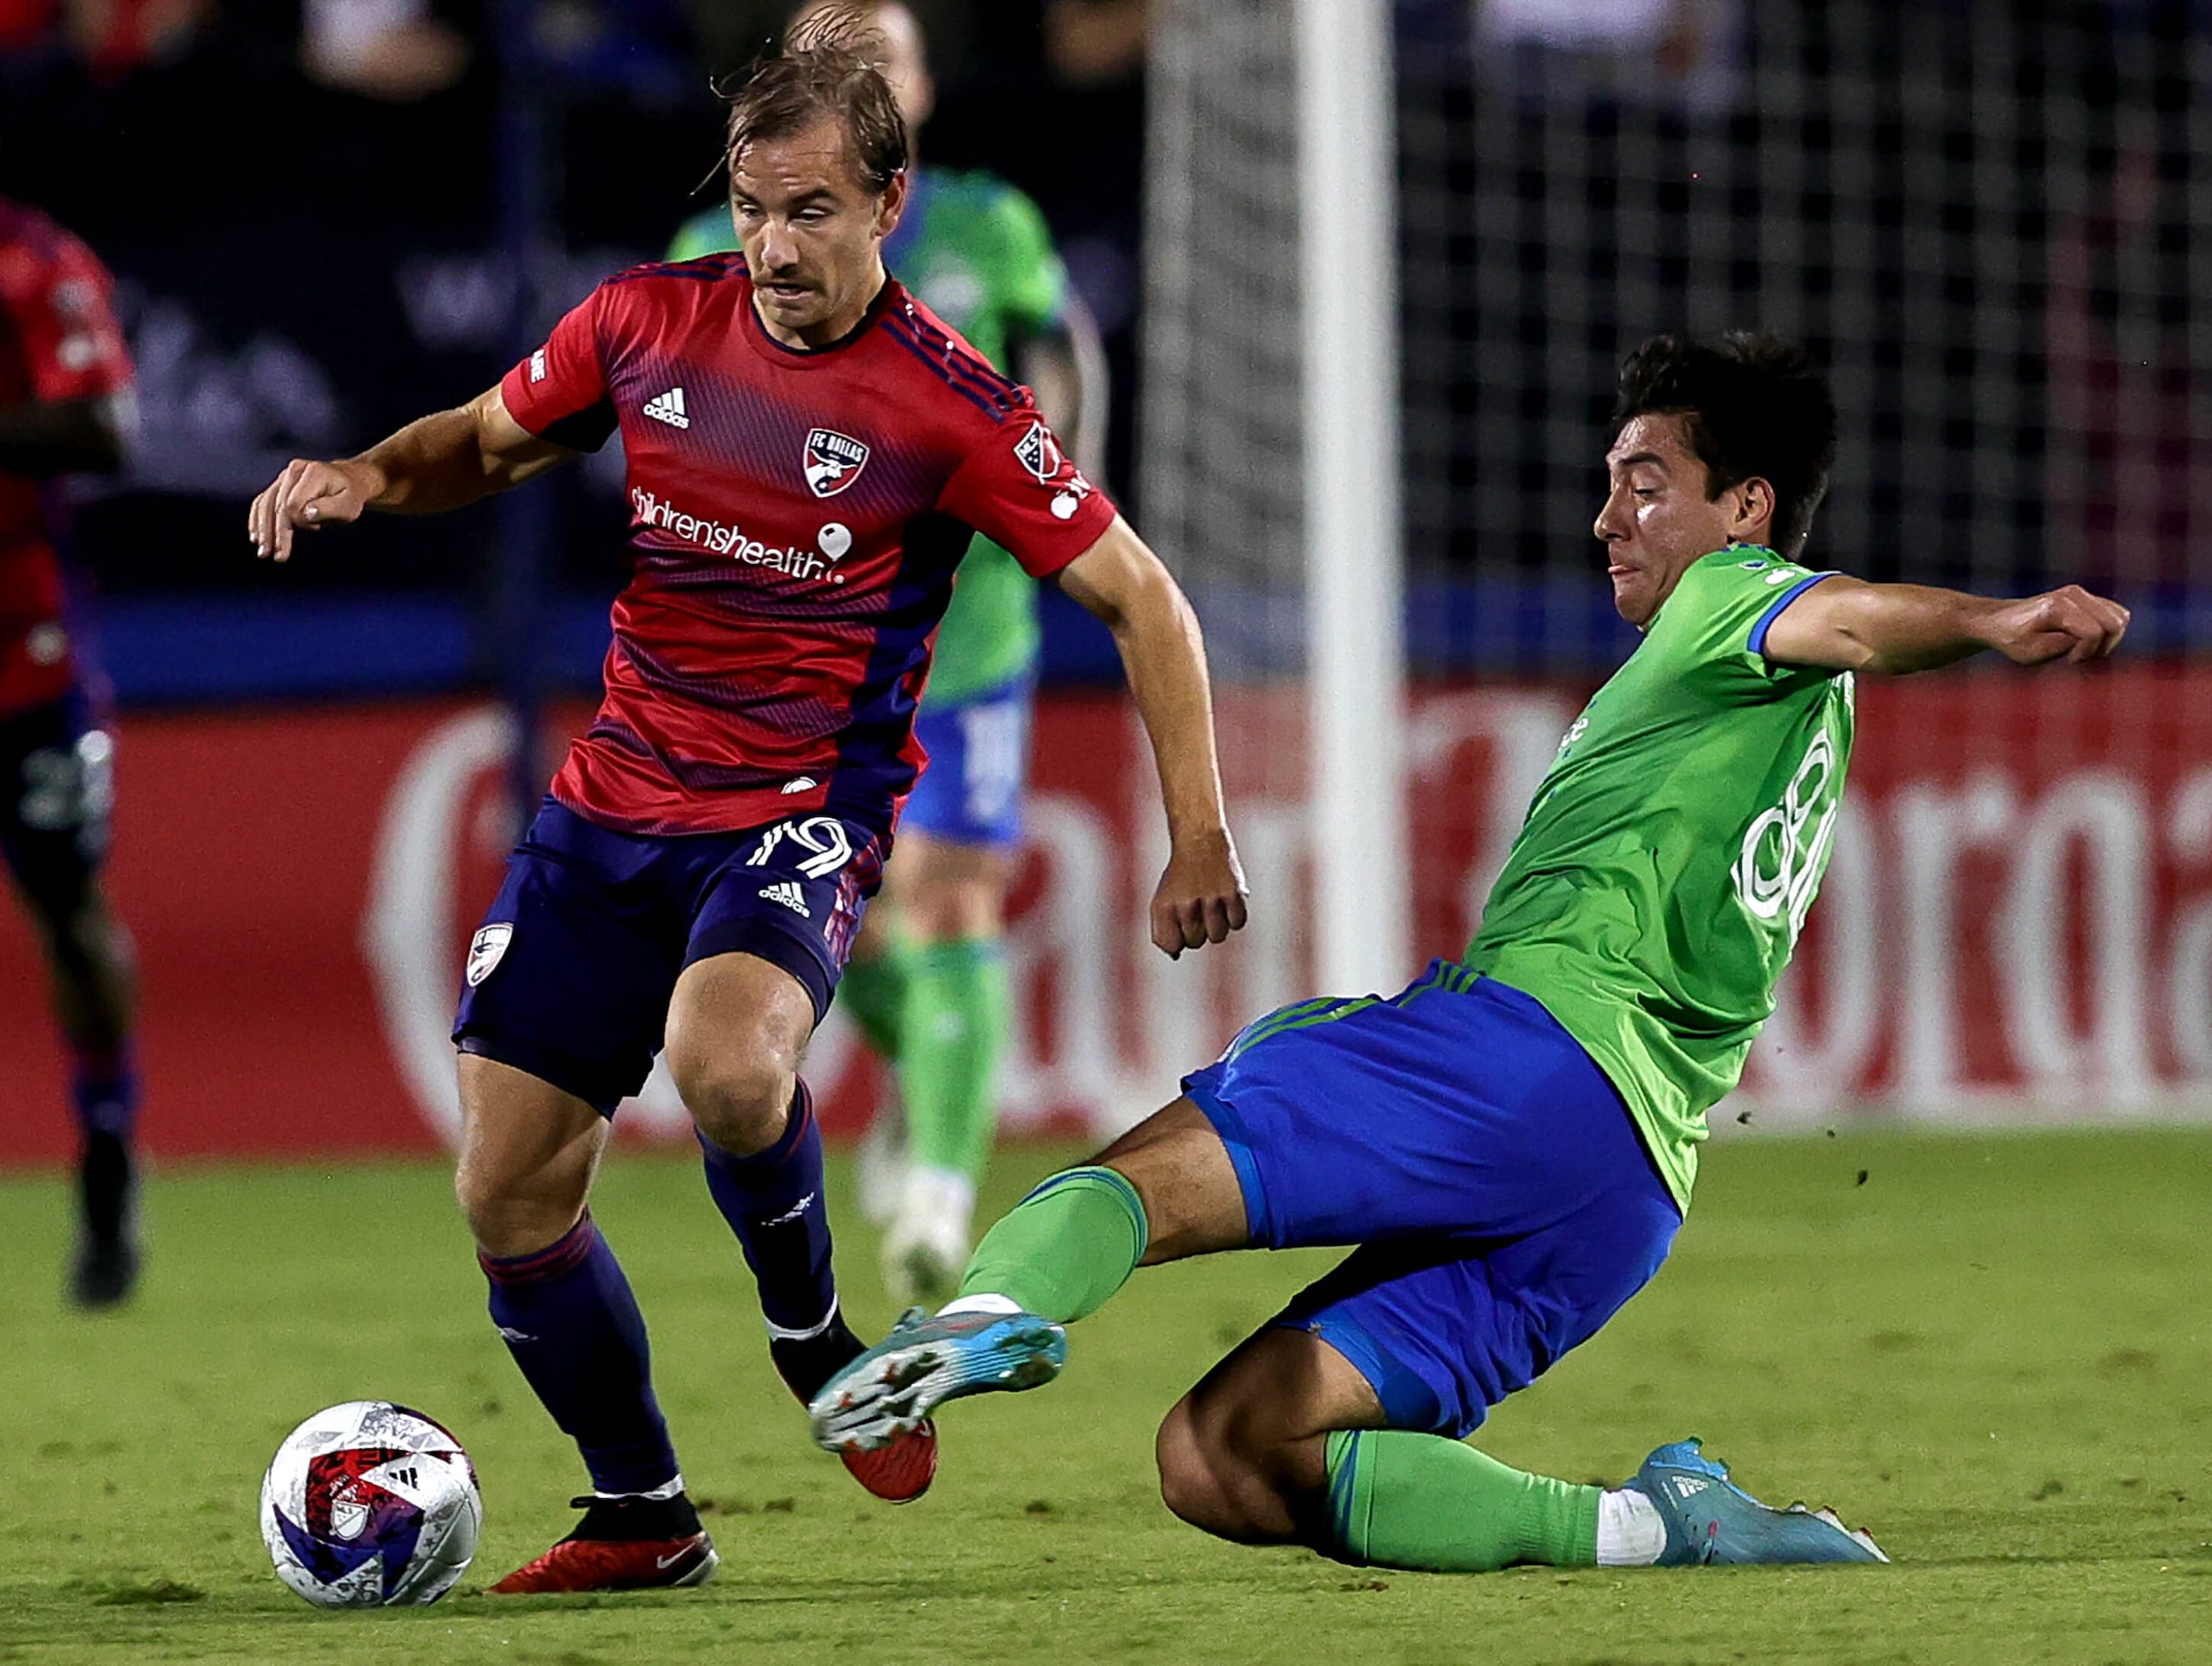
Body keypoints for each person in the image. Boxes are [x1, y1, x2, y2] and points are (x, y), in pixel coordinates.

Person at [811, 331, 2132, 1572]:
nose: (1608, 516)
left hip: (1528, 1067)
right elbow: (1839, 637)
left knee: (1146, 1175)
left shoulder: (1741, 596)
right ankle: (1655, 1527)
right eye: (1609, 483)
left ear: (1745, 509)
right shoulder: (1785, 704)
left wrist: (1993, 620)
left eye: (1647, 483)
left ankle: (978, 1318)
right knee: (1225, 1454)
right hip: (1625, 1190)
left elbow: (1848, 615)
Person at [246, 12, 1247, 1596]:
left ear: (886, 204)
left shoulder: (950, 402)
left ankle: (813, 1344)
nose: (772, 245)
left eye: (812, 212)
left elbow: (1144, 599)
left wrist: (1197, 826)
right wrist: (369, 473)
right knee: (506, 1184)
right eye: (754, 205)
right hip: (612, 801)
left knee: (727, 1058)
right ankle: (643, 1512)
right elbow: (484, 442)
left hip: (797, 805)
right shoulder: (645, 319)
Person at [670, 0, 1100, 1307]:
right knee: (837, 931)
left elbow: (1059, 371)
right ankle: (924, 1081)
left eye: (888, 58)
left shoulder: (990, 226)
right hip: (796, 651)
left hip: (963, 637)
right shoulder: (712, 240)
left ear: (917, 89)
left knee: (953, 894)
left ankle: (940, 1196)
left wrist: (1030, 481)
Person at [0, 50, 142, 1315]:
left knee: (65, 912)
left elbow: (108, 426)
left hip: (21, 649)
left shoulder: (31, 264)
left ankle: (108, 1153)